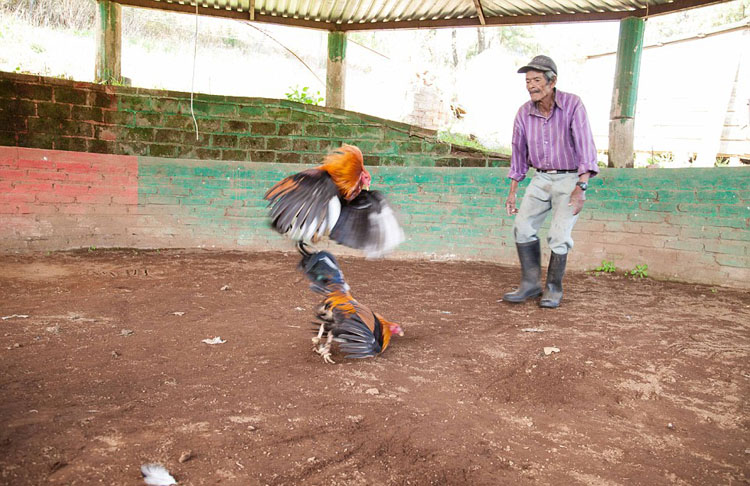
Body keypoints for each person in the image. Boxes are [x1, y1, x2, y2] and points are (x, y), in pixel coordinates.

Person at [502, 55, 599, 308]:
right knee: (522, 228)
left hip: (570, 178)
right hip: (540, 177)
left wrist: (582, 187)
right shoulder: (524, 113)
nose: (531, 85)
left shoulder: (573, 105)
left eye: (536, 80)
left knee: (559, 234)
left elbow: (586, 148)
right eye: (527, 81)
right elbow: (518, 154)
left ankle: (553, 289)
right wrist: (513, 191)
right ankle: (530, 284)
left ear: (552, 81)